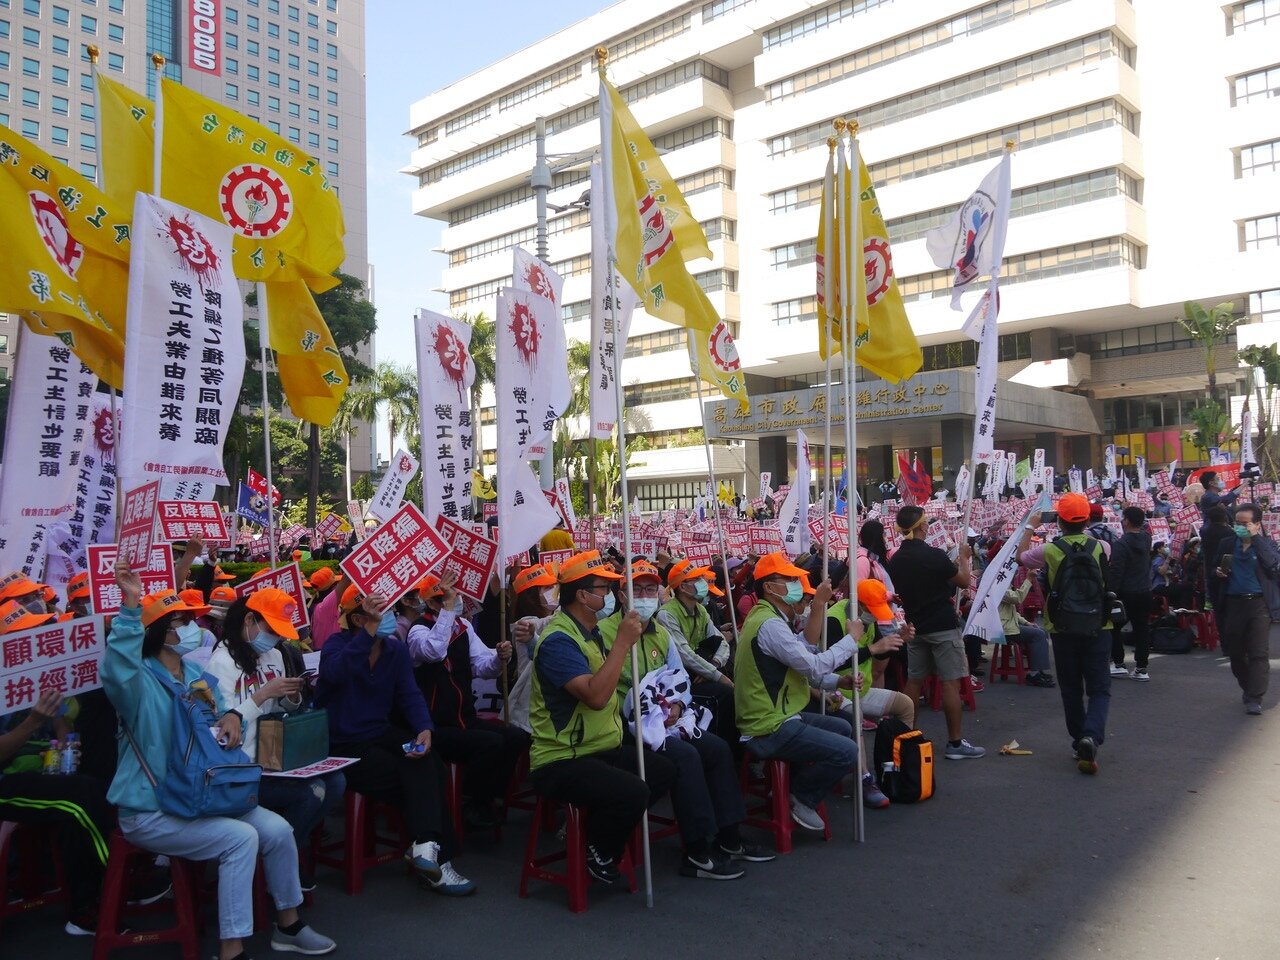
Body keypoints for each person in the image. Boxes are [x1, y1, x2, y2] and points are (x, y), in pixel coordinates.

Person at [103, 572, 335, 960]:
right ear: (159, 631)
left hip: (202, 794)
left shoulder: (195, 674)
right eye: (183, 623)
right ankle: (232, 950)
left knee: (277, 829)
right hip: (153, 807)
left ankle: (289, 925)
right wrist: (129, 609)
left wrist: (229, 719)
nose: (195, 628)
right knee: (240, 838)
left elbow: (219, 727)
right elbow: (116, 668)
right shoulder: (137, 682)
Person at [600, 561, 768, 879]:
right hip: (628, 728)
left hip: (669, 722)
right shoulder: (606, 634)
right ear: (622, 597)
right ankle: (697, 850)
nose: (647, 595)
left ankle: (730, 837)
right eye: (639, 590)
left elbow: (680, 678)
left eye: (652, 589)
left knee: (717, 749)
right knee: (686, 757)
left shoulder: (661, 634)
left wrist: (677, 706)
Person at [527, 551, 676, 885]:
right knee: (633, 791)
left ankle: (599, 833)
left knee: (663, 770)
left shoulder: (590, 633)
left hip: (600, 747)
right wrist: (623, 643)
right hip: (562, 757)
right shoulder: (559, 641)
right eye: (604, 589)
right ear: (582, 595)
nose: (609, 596)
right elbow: (595, 697)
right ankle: (599, 848)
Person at [315, 586, 475, 895]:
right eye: (378, 612)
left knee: (429, 761)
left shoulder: (394, 649)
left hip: (379, 732)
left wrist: (424, 728)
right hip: (343, 743)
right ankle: (436, 858)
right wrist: (367, 636)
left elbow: (409, 693)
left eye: (387, 610)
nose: (388, 617)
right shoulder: (337, 646)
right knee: (415, 771)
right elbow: (335, 674)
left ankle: (426, 847)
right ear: (358, 619)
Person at [205, 589, 345, 886]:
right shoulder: (220, 662)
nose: (274, 639)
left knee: (336, 782)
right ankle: (280, 864)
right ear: (248, 620)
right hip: (242, 765)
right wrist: (263, 695)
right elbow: (223, 728)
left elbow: (281, 708)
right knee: (311, 793)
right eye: (269, 630)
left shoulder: (276, 654)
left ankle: (286, 852)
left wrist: (291, 696)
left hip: (277, 755)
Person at [733, 553, 862, 831]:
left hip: (781, 715)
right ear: (769, 587)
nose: (796, 584)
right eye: (789, 579)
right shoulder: (768, 624)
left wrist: (837, 682)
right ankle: (800, 797)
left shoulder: (771, 619)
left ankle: (792, 789)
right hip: (769, 724)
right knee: (848, 751)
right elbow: (812, 666)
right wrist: (851, 641)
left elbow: (802, 657)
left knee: (842, 728)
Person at [406, 572, 526, 831]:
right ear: (431, 604)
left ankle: (485, 798)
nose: (453, 601)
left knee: (516, 736)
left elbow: (483, 666)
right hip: (435, 726)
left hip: (465, 718)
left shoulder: (464, 627)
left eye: (455, 595)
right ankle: (472, 800)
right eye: (444, 599)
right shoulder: (418, 630)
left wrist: (499, 657)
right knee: (490, 744)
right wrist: (448, 613)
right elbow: (434, 652)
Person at [1018, 493, 1112, 775]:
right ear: (1087, 520)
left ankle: (1077, 740)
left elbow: (1020, 557)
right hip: (1099, 624)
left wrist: (1030, 526)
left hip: (1061, 625)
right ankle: (1091, 736)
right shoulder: (1103, 546)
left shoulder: (1049, 550)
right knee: (1099, 688)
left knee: (1071, 688)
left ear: (1059, 521)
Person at [884, 506, 985, 760]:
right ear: (921, 526)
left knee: (914, 681)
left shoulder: (895, 559)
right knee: (950, 681)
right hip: (942, 624)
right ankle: (954, 743)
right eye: (926, 522)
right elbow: (963, 581)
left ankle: (907, 737)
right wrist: (963, 557)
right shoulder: (934, 554)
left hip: (915, 625)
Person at [819, 579, 913, 808]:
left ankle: (897, 765)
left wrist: (899, 640)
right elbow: (829, 664)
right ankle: (864, 778)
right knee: (857, 717)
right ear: (857, 603)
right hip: (834, 692)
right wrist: (872, 649)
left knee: (906, 704)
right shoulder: (833, 618)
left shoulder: (869, 619)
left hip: (862, 690)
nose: (875, 615)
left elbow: (879, 655)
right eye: (871, 609)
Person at [1206, 503, 1280, 716]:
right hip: (1233, 602)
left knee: (1258, 652)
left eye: (1245, 524)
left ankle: (1255, 697)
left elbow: (1274, 565)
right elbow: (1212, 567)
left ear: (1257, 524)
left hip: (1258, 604)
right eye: (1236, 523)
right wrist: (1217, 571)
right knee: (1236, 652)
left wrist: (1255, 539)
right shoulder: (1227, 544)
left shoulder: (1266, 544)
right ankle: (1248, 687)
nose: (1239, 527)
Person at [655, 559, 735, 733]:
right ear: (682, 587)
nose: (703, 583)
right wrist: (718, 676)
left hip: (703, 671)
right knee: (726, 693)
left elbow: (722, 642)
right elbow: (685, 654)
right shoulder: (667, 614)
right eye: (697, 579)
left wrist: (713, 667)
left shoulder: (701, 609)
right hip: (681, 680)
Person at [1107, 506, 1153, 681]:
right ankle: (1142, 668)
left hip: (1126, 592)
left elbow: (1117, 571)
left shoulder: (1121, 544)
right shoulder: (1147, 538)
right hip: (1145, 590)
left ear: (1126, 520)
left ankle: (1118, 664)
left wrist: (1111, 592)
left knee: (1115, 628)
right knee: (1142, 629)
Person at [997, 573, 1055, 687]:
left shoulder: (1002, 582)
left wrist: (1027, 622)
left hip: (1010, 625)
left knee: (1042, 632)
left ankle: (1038, 670)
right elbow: (1017, 598)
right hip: (1005, 628)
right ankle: (1034, 674)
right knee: (1038, 635)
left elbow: (1013, 611)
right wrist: (1028, 579)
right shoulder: (997, 584)